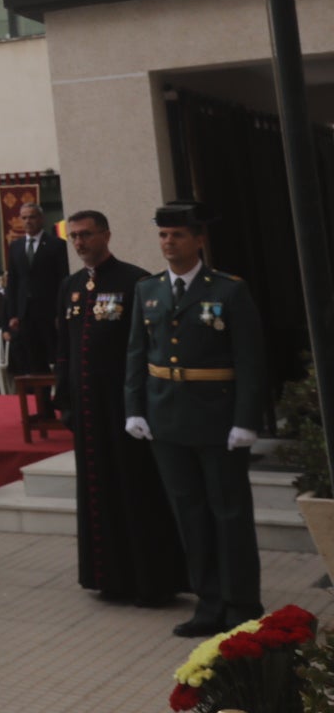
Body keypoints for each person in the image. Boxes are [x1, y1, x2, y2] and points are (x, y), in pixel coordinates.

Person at [124, 202, 266, 638]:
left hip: (217, 419)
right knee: (189, 514)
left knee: (229, 513)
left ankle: (241, 602)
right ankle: (209, 602)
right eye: (163, 235)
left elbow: (250, 359)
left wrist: (246, 419)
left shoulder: (228, 290)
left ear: (199, 240)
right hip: (166, 418)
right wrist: (134, 407)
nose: (169, 242)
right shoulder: (147, 289)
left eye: (178, 235)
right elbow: (136, 353)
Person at [54, 210, 183, 607]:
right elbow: (63, 348)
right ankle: (108, 577)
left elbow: (150, 348)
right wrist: (63, 398)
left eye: (87, 235)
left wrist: (142, 403)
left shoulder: (135, 281)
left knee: (136, 489)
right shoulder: (70, 286)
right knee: (98, 491)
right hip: (86, 407)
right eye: (74, 236)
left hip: (125, 408)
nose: (80, 243)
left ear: (106, 235)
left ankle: (151, 582)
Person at [6, 202, 70, 417]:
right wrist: (13, 314)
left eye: (32, 217)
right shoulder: (16, 247)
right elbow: (13, 282)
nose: (28, 221)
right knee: (35, 363)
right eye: (24, 217)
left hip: (51, 313)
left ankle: (65, 405)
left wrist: (61, 312)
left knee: (59, 359)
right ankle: (44, 409)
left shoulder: (56, 245)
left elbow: (63, 280)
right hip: (27, 314)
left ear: (41, 219)